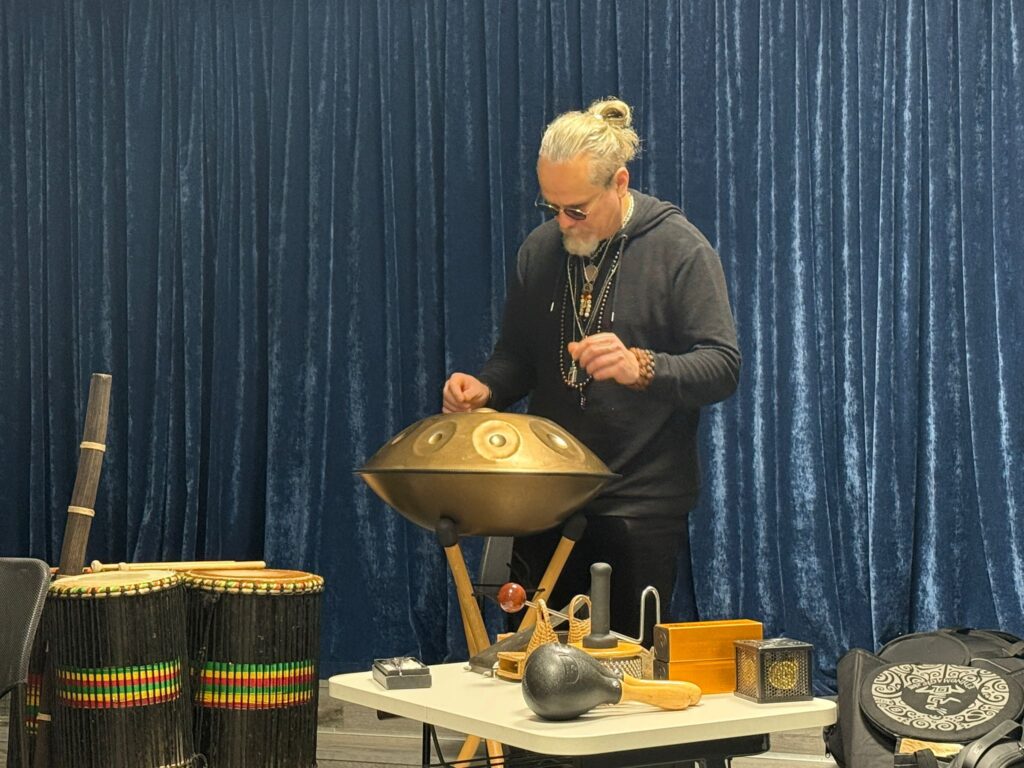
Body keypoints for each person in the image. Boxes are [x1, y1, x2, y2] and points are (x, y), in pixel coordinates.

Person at [442, 97, 740, 641]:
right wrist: (485, 389)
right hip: (546, 497)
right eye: (551, 206)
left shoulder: (680, 250)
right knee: (532, 662)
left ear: (619, 183)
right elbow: (517, 357)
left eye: (576, 209)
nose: (562, 222)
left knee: (625, 667)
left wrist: (641, 367)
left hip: (639, 504)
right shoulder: (540, 250)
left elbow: (722, 366)